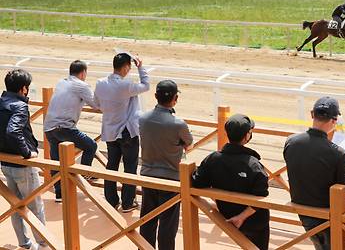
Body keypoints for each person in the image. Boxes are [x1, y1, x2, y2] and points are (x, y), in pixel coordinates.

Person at [192, 114, 269, 250]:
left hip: (226, 215)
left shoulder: (212, 159)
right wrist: (241, 217)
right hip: (254, 221)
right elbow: (261, 195)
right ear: (247, 136)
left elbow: (197, 182)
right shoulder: (253, 164)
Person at [283, 97, 345, 250]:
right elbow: (343, 187)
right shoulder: (338, 153)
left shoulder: (291, 141)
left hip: (300, 205)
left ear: (312, 114)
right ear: (334, 121)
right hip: (327, 212)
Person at [139, 80, 192, 250]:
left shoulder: (143, 118)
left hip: (147, 175)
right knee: (168, 224)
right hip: (171, 178)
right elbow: (188, 144)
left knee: (147, 219)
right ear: (175, 99)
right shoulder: (178, 124)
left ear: (155, 96)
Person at [92, 52, 149, 212]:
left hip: (110, 130)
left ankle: (111, 201)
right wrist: (141, 67)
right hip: (127, 132)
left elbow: (96, 103)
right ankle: (127, 202)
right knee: (130, 167)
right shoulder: (126, 85)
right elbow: (146, 85)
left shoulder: (100, 82)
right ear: (125, 67)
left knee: (111, 166)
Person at [0, 69, 47, 249]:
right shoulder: (20, 106)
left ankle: (25, 244)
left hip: (5, 163)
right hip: (22, 165)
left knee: (16, 206)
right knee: (36, 207)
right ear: (24, 89)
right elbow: (13, 131)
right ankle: (44, 243)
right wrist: (27, 152)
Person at [44, 59, 98, 202]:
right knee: (91, 145)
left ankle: (59, 194)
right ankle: (84, 175)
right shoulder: (82, 85)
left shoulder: (62, 82)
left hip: (49, 127)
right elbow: (96, 105)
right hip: (65, 127)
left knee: (57, 162)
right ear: (83, 73)